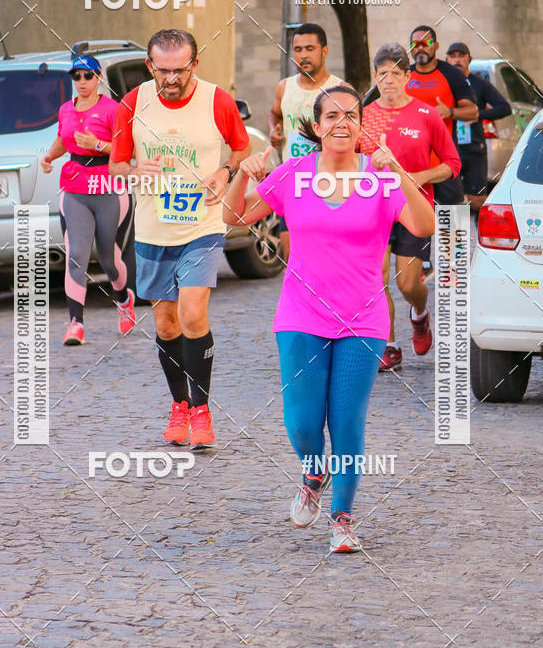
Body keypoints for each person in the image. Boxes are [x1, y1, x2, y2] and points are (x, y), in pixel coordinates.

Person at [224, 85, 435, 552]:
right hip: (301, 313)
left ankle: (343, 517)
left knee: (346, 421)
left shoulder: (379, 179)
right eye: (332, 115)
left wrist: (398, 171)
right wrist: (243, 173)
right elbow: (233, 216)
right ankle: (312, 469)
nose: (342, 121)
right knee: (301, 422)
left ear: (361, 127)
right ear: (317, 127)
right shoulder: (293, 173)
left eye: (351, 115)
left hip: (363, 320)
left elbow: (424, 226)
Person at [109, 29, 250, 450]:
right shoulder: (132, 104)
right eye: (162, 70)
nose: (171, 79)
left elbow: (240, 149)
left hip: (201, 227)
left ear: (195, 64)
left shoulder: (216, 100)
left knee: (192, 314)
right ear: (150, 66)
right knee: (166, 323)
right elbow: (116, 164)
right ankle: (180, 405)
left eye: (180, 70)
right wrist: (135, 173)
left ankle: (203, 411)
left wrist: (224, 173)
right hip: (154, 230)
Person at [359, 43, 461, 372]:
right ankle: (388, 345)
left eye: (395, 73)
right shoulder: (364, 115)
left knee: (407, 284)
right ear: (375, 77)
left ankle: (419, 313)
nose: (388, 80)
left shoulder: (426, 114)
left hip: (413, 208)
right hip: (373, 208)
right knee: (375, 279)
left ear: (407, 77)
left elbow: (451, 164)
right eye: (382, 74)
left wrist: (416, 176)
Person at [41, 55, 135, 345]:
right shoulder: (66, 110)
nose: (82, 82)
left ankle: (123, 300)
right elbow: (63, 139)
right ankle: (75, 324)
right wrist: (49, 155)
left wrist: (96, 145)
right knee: (77, 256)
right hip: (75, 190)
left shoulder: (112, 109)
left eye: (87, 76)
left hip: (109, 188)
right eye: (76, 76)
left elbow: (127, 151)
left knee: (108, 259)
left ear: (98, 78)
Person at [268, 24, 344, 261]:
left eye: (309, 49)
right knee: (291, 254)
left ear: (324, 51)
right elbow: (274, 113)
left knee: (328, 255)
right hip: (293, 181)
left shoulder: (340, 90)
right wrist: (274, 130)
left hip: (329, 183)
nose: (303, 55)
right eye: (297, 49)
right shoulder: (284, 87)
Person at [407, 25, 478, 207]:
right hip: (411, 162)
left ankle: (451, 235)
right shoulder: (404, 75)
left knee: (452, 225)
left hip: (444, 161)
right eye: (416, 43)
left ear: (436, 46)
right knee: (415, 225)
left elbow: (473, 112)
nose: (420, 47)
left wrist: (450, 112)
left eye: (426, 43)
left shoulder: (451, 74)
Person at [445, 41, 511, 215]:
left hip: (474, 148)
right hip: (450, 149)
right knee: (451, 200)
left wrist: (476, 114)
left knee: (478, 199)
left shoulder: (479, 84)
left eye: (461, 56)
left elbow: (504, 107)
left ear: (469, 59)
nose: (457, 60)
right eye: (453, 56)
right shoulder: (443, 83)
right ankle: (455, 239)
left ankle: (478, 231)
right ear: (446, 60)